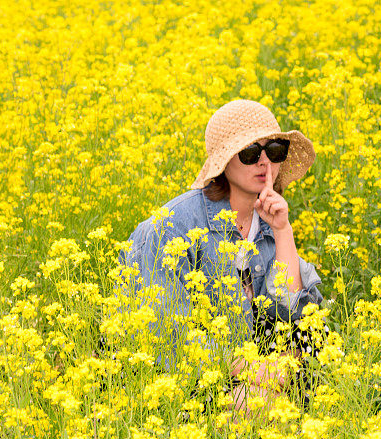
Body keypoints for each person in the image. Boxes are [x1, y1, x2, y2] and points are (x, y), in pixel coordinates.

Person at [120, 99, 327, 420]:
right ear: (223, 161)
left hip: (250, 369)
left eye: (273, 150)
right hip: (178, 379)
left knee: (317, 343)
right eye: (249, 153)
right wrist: (256, 370)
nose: (263, 162)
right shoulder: (174, 225)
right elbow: (167, 334)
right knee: (271, 406)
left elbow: (293, 314)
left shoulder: (269, 219)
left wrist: (283, 230)